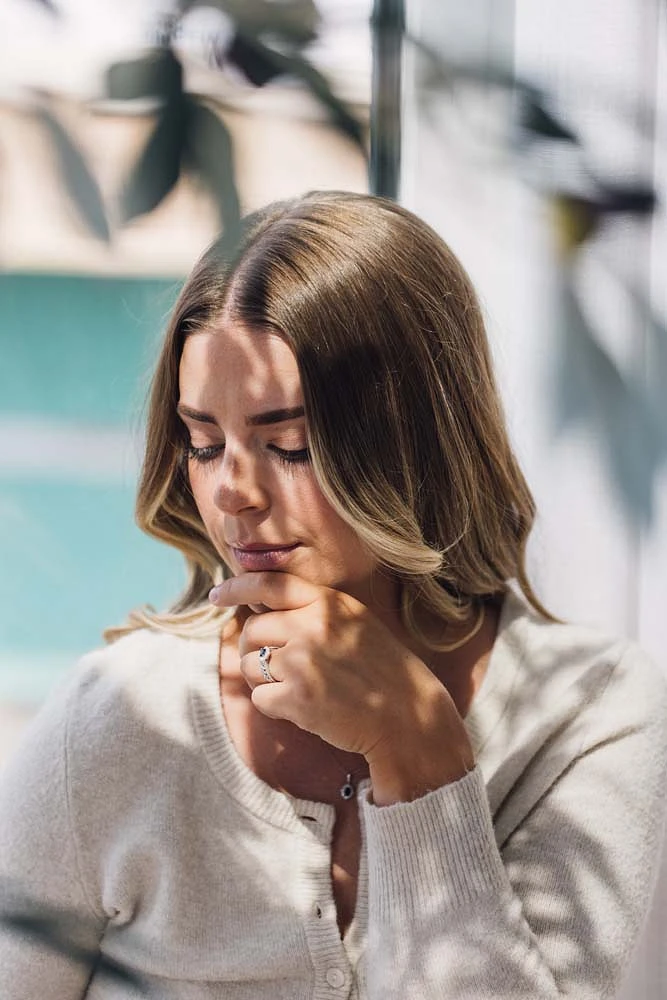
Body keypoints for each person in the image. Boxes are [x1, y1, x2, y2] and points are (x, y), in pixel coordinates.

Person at [1, 191, 666, 1000]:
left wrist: (415, 752)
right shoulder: (115, 718)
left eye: (291, 445)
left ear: (417, 439)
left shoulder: (593, 713)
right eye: (204, 443)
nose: (232, 492)